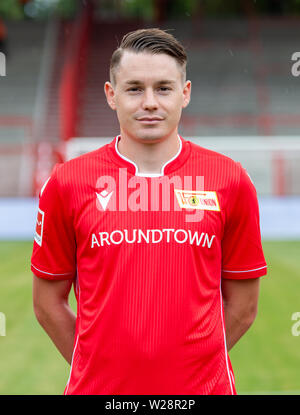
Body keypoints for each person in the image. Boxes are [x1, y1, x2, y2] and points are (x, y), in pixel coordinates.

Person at [31, 28, 267, 395]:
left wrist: (190, 370)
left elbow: (244, 305)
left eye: (164, 88)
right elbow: (47, 303)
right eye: (135, 88)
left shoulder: (230, 180)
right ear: (112, 96)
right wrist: (99, 364)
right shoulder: (68, 182)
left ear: (184, 94)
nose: (150, 102)